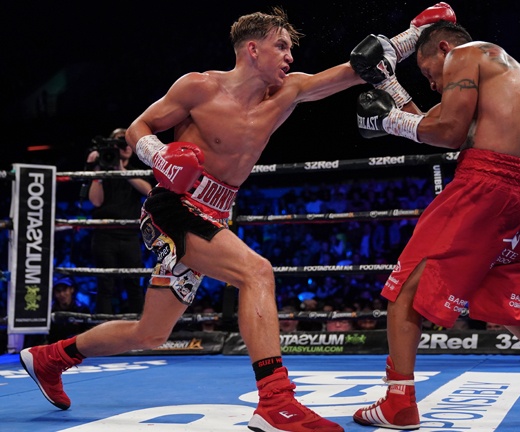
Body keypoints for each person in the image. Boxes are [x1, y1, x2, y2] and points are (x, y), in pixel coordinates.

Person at [20, 5, 451, 432]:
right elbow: (140, 127)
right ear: (252, 49)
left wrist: (416, 30)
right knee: (256, 273)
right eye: (280, 46)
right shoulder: (199, 87)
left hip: (215, 215)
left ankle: (49, 358)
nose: (289, 57)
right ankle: (275, 402)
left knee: (149, 333)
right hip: (174, 207)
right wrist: (160, 156)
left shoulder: (289, 92)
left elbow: (362, 65)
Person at [350, 18, 520, 428]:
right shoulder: (511, 76)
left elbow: (448, 133)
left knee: (404, 288)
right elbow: (436, 124)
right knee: (513, 307)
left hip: (485, 187)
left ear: (442, 49)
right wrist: (388, 84)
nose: (433, 83)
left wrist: (387, 122)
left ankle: (398, 403)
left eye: (428, 73)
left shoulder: (464, 54)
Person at [85, 127, 152, 314]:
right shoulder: (100, 170)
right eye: (120, 142)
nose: (126, 146)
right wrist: (97, 170)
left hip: (129, 236)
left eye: (128, 142)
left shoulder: (134, 171)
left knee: (133, 284)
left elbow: (148, 190)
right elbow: (95, 201)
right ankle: (102, 334)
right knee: (105, 285)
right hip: (104, 236)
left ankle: (140, 333)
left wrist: (121, 170)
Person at [48, 277, 91, 343]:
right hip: (54, 347)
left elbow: (87, 332)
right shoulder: (50, 310)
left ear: (72, 290)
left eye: (65, 290)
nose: (62, 294)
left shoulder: (82, 309)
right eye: (58, 291)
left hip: (76, 346)